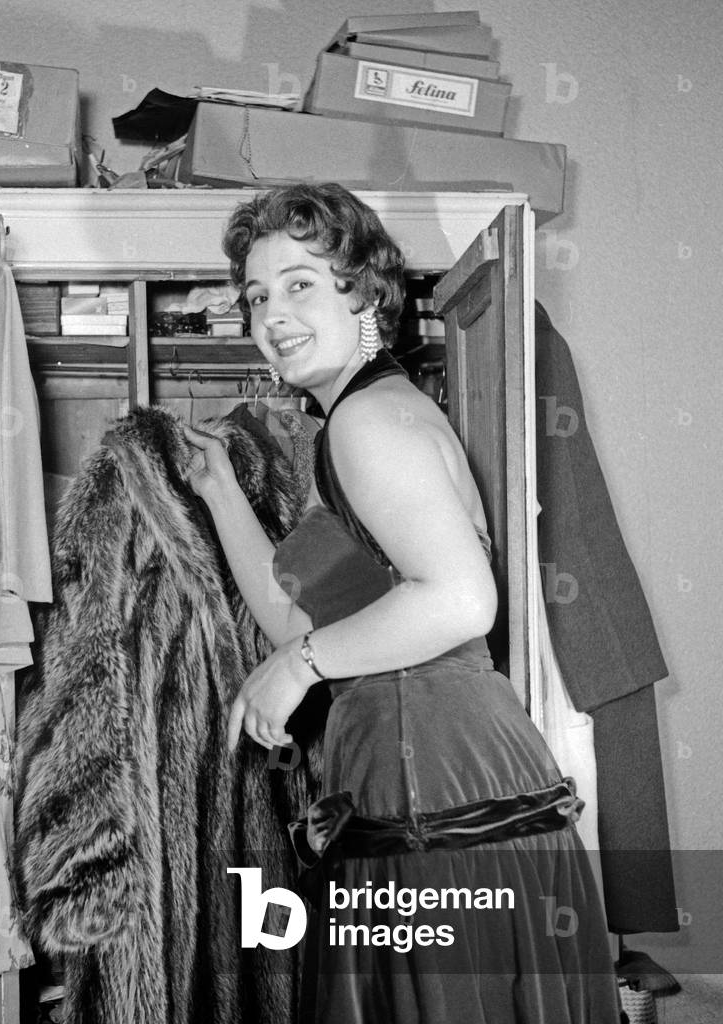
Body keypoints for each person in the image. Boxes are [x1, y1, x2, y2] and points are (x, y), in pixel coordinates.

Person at [184, 183, 619, 1023]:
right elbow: (300, 624)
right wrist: (222, 498)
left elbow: (460, 600)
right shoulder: (357, 416)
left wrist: (297, 667)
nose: (273, 314)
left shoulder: (367, 423)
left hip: (437, 790)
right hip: (427, 774)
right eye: (257, 295)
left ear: (364, 292)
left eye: (301, 283)